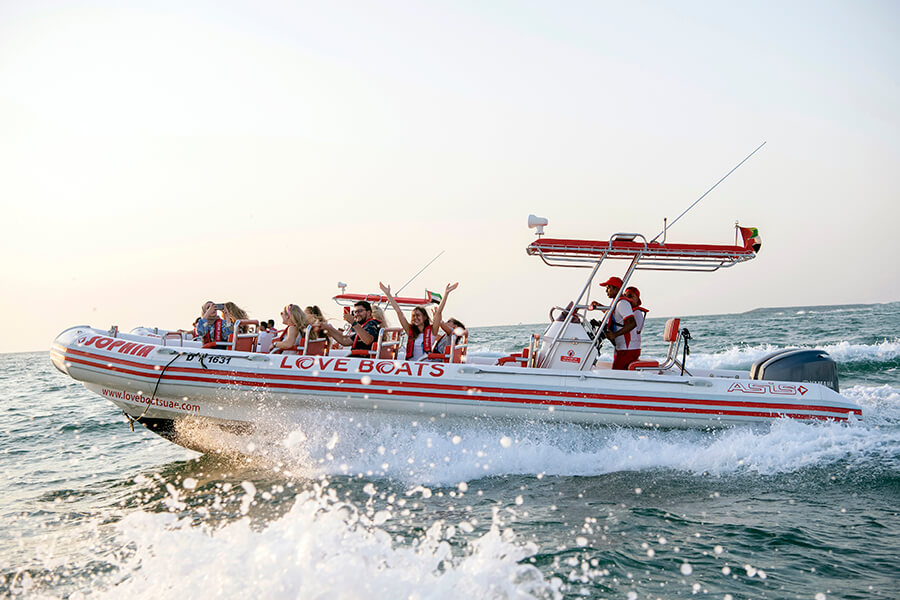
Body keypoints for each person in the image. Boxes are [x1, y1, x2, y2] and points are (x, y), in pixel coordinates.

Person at [378, 281, 443, 361]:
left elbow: (439, 312)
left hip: (425, 366)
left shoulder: (432, 331)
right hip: (411, 366)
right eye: (413, 316)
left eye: (418, 315)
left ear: (425, 317)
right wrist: (388, 294)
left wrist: (446, 293)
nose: (415, 318)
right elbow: (399, 312)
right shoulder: (410, 331)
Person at [590, 276, 639, 370]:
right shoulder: (617, 302)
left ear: (616, 289)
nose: (606, 291)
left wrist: (615, 335)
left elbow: (632, 323)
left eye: (608, 288)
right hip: (622, 348)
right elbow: (615, 316)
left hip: (627, 349)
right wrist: (599, 308)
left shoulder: (622, 303)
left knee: (618, 375)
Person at [623, 286, 648, 353]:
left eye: (630, 296)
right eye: (625, 296)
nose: (627, 298)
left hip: (630, 350)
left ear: (637, 299)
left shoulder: (636, 313)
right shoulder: (628, 312)